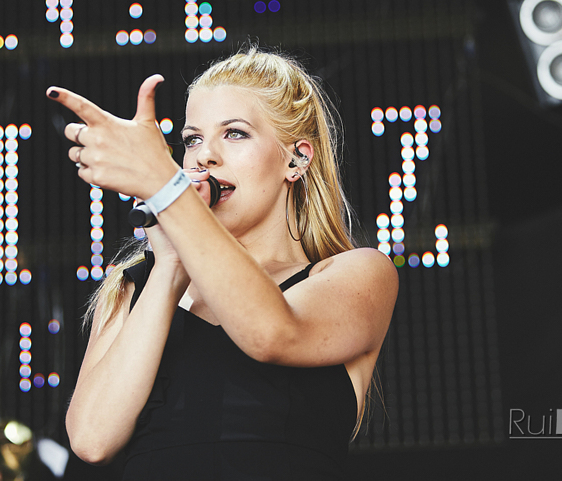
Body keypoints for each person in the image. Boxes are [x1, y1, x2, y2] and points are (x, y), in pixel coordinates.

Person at [47, 47, 398, 480]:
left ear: (297, 158)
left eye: (234, 133)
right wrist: (170, 266)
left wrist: (166, 187)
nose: (203, 157)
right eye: (193, 139)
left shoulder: (359, 274)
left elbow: (270, 333)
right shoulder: (135, 285)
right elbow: (92, 439)